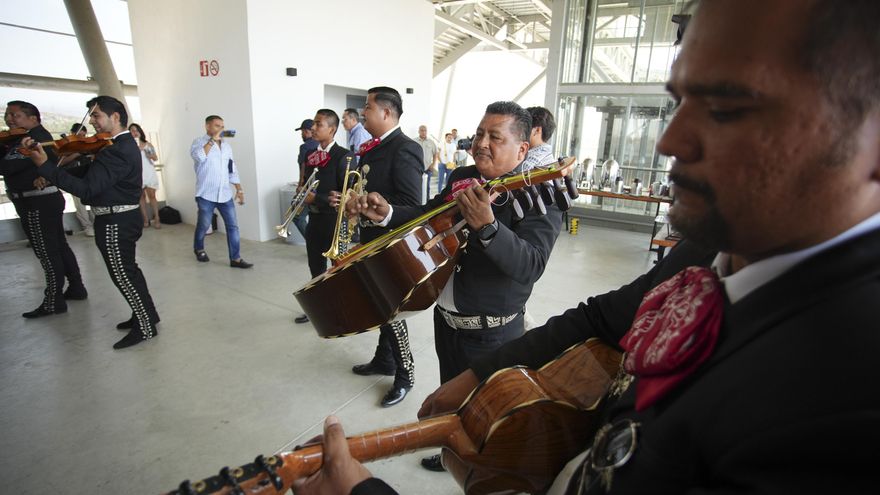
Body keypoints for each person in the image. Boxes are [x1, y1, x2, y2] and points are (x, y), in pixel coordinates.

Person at [291, 0, 880, 493]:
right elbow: (602, 315)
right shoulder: (708, 250)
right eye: (679, 103)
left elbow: (528, 268)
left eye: (727, 106)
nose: (672, 140)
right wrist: (479, 377)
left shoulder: (847, 398)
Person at [347, 101, 565, 472]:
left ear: (522, 148)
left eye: (494, 137)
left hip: (493, 335)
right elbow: (427, 215)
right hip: (446, 321)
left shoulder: (541, 194)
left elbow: (530, 265)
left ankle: (482, 469)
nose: (481, 143)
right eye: (480, 133)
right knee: (452, 397)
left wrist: (488, 227)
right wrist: (385, 213)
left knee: (490, 416)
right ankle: (452, 449)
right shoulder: (463, 176)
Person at [24, 96, 161, 349]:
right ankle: (147, 314)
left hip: (115, 220)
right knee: (129, 270)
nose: (93, 122)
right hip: (120, 217)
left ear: (115, 117)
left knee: (122, 273)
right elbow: (92, 173)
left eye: (96, 115)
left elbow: (88, 189)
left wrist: (46, 166)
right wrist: (51, 174)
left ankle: (145, 325)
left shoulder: (116, 150)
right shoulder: (115, 146)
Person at [349, 86, 424, 407]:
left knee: (392, 312)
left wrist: (376, 209)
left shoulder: (405, 148)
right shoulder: (373, 148)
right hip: (371, 240)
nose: (362, 112)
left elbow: (410, 203)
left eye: (367, 107)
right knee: (381, 308)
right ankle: (384, 360)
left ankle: (405, 373)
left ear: (386, 112)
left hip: (390, 243)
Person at [2, 100, 87, 317]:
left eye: (15, 115)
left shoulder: (35, 139)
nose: (9, 119)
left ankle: (54, 300)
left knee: (46, 251)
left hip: (37, 201)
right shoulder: (19, 139)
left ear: (33, 118)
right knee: (58, 246)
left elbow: (8, 166)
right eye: (7, 115)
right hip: (37, 200)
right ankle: (76, 287)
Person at [190, 115, 253, 268]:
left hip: (224, 194)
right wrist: (212, 141)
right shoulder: (198, 142)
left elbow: (232, 169)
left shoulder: (226, 147)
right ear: (207, 126)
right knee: (204, 225)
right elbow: (199, 157)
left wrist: (239, 189)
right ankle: (199, 249)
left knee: (233, 226)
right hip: (206, 194)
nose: (221, 129)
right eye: (217, 125)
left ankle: (235, 259)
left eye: (222, 126)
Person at [303, 110, 355, 281]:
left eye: (319, 124)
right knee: (315, 268)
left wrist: (316, 198)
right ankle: (319, 305)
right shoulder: (310, 155)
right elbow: (306, 185)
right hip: (314, 220)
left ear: (332, 129)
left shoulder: (344, 155)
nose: (313, 127)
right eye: (314, 123)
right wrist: (305, 193)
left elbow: (346, 195)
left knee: (338, 269)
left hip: (335, 222)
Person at [62, 123, 95, 236]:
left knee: (94, 202)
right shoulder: (67, 147)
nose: (82, 138)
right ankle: (87, 226)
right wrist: (76, 154)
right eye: (79, 135)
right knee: (80, 204)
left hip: (88, 177)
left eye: (84, 135)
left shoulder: (87, 146)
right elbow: (61, 162)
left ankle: (96, 224)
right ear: (72, 134)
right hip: (74, 178)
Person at [129, 123, 161, 229]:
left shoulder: (148, 145)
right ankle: (145, 219)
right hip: (137, 175)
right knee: (141, 197)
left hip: (149, 173)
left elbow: (155, 158)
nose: (134, 133)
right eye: (131, 131)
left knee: (152, 196)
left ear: (139, 131)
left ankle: (157, 218)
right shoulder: (129, 146)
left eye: (135, 130)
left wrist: (148, 153)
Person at [293, 118, 319, 238]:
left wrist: (300, 185)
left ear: (308, 131)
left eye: (302, 131)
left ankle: (312, 241)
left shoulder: (305, 147)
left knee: (297, 216)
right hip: (319, 188)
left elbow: (303, 168)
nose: (301, 135)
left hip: (308, 188)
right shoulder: (320, 145)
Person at [414, 124, 438, 200]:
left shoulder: (431, 142)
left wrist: (433, 165)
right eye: (422, 130)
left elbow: (435, 154)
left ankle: (427, 202)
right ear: (418, 131)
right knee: (416, 186)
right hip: (416, 169)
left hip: (427, 169)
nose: (424, 132)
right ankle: (417, 201)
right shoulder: (413, 141)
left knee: (427, 187)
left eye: (425, 130)